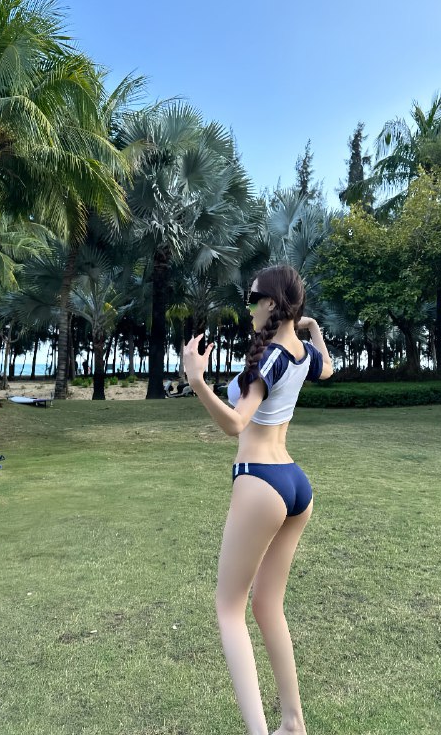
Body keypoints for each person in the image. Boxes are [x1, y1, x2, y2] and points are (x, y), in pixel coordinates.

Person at [183, 264, 333, 735]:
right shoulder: (302, 351)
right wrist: (312, 327)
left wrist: (197, 381)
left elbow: (236, 423)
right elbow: (327, 369)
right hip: (294, 483)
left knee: (229, 608)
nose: (248, 307)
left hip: (260, 480)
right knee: (267, 605)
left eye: (252, 299)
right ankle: (293, 723)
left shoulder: (270, 356)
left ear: (271, 303)